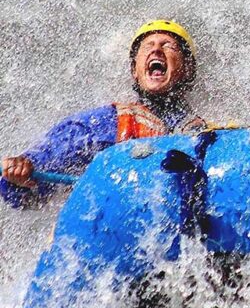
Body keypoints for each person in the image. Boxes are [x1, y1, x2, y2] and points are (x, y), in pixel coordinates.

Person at [1, 20, 206, 208]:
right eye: (148, 46)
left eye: (168, 45)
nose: (156, 50)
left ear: (187, 68)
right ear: (135, 70)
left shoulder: (201, 131)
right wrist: (20, 172)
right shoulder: (104, 123)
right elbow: (24, 190)